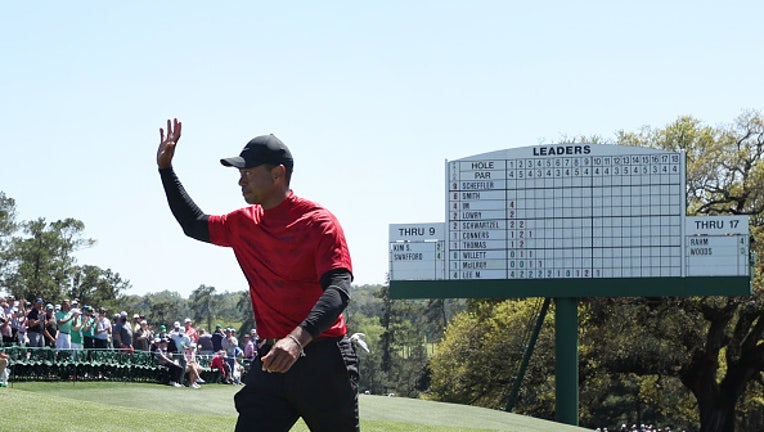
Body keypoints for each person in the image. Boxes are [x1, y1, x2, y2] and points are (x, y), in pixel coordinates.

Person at [157, 118, 359, 431]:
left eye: (249, 173)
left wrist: (296, 339)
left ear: (278, 174)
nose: (241, 181)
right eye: (240, 174)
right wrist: (166, 171)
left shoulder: (318, 222)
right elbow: (194, 223)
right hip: (271, 362)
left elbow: (339, 290)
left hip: (323, 359)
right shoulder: (242, 223)